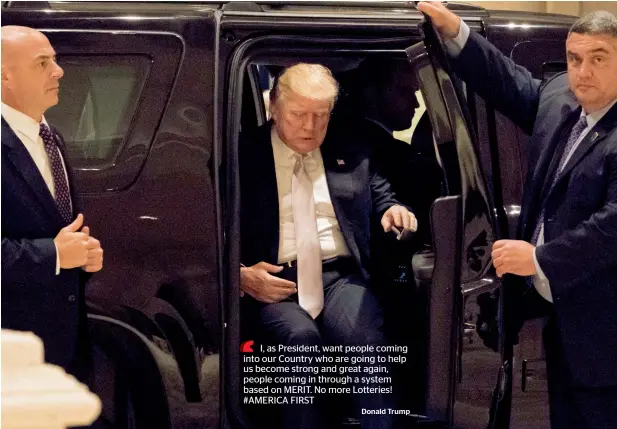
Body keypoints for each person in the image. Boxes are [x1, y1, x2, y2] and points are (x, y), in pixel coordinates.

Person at [417, 3, 617, 428]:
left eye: (599, 59)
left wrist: (540, 260)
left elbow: (612, 228)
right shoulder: (561, 97)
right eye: (575, 58)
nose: (583, 71)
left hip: (605, 324)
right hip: (560, 319)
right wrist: (456, 32)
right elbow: (508, 83)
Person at [239, 63, 416, 429]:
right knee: (298, 340)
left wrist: (394, 211)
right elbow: (210, 229)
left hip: (339, 278)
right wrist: (239, 275)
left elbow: (383, 195)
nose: (309, 127)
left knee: (365, 342)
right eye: (299, 115)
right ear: (274, 106)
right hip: (274, 281)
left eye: (320, 116)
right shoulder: (243, 155)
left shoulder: (350, 148)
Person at [1, 26, 104, 377]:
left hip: (65, 338)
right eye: (42, 63)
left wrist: (82, 253)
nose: (58, 71)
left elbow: (57, 224)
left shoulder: (50, 134)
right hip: (12, 347)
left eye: (54, 61)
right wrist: (55, 255)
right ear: (5, 75)